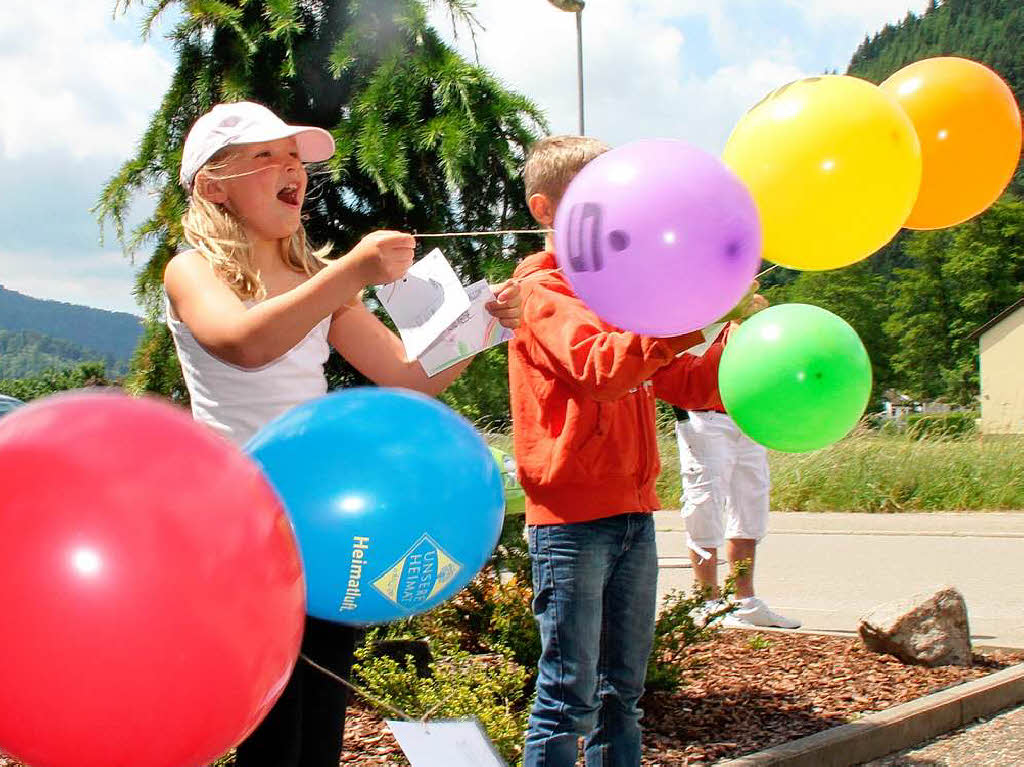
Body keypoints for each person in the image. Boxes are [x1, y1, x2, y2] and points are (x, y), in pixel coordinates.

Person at [163, 101, 522, 767]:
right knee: (272, 716)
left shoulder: (315, 282)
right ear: (213, 185)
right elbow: (244, 343)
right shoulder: (193, 270)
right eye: (266, 157)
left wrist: (485, 323)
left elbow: (408, 378)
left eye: (295, 158)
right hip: (242, 522)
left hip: (320, 524)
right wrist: (349, 273)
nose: (291, 167)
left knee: (321, 705)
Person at [508, 134, 754, 767]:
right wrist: (687, 325)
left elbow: (686, 382)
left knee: (624, 694)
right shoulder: (544, 295)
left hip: (631, 514)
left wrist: (737, 342)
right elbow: (601, 367)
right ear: (545, 211)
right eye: (598, 200)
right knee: (568, 694)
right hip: (571, 524)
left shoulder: (625, 291)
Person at [658, 303, 801, 630]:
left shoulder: (750, 313)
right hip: (704, 415)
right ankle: (707, 602)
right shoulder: (694, 311)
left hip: (748, 416)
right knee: (705, 505)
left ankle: (745, 600)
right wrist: (732, 327)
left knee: (750, 504)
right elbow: (679, 368)